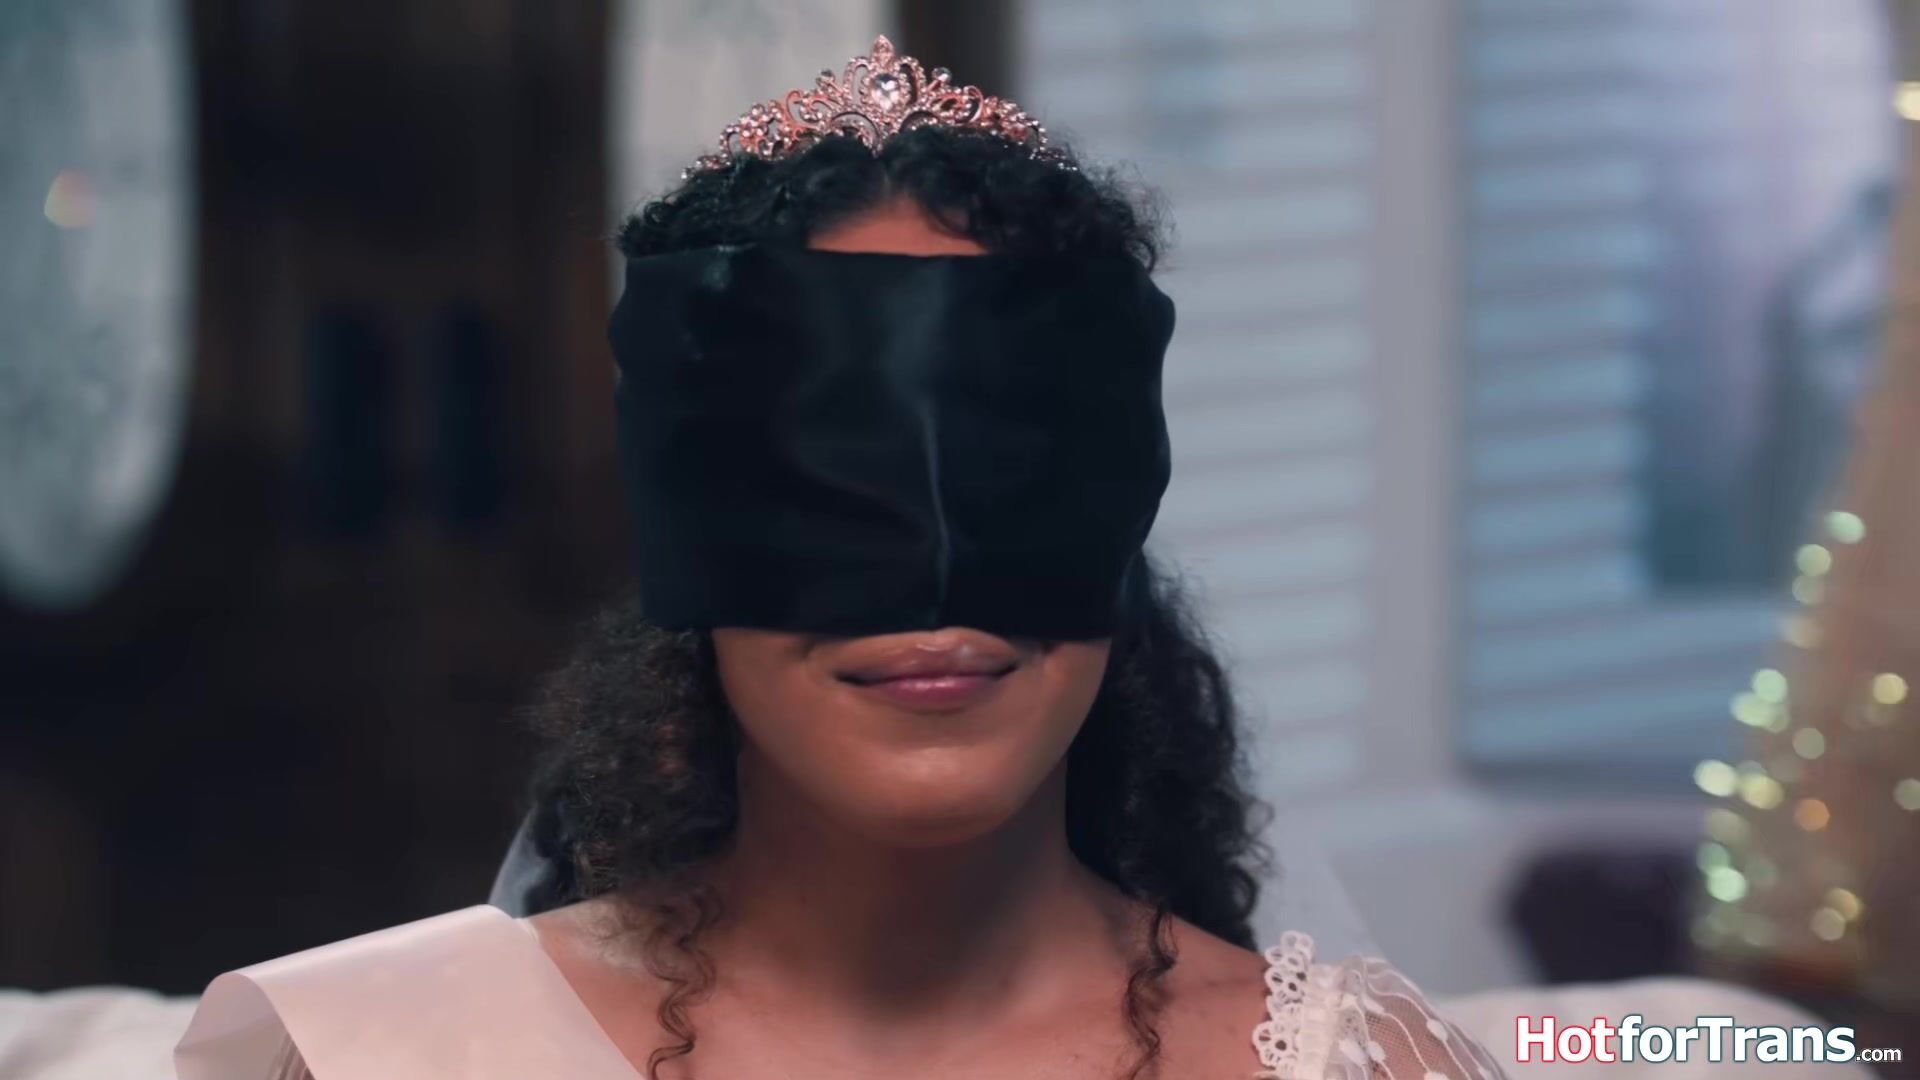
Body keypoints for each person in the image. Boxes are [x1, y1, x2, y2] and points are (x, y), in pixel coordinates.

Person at [175, 36, 1507, 1080]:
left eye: (1012, 469)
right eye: (829, 469)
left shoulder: (1350, 1065)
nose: (932, 587)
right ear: (689, 525)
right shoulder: (387, 1055)